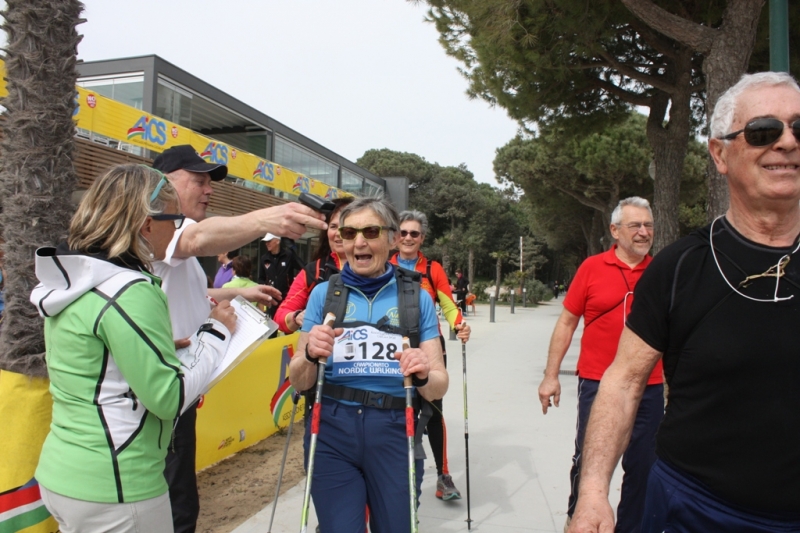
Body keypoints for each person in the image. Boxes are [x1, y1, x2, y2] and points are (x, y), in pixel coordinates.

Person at [569, 72, 800, 533]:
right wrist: (593, 493)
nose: (787, 143)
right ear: (720, 153)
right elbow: (624, 381)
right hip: (693, 511)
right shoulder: (678, 267)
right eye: (763, 131)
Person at [29, 164, 236, 533]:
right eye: (175, 220)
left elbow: (92, 355)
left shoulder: (71, 277)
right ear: (145, 225)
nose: (178, 231)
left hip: (62, 474)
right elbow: (169, 398)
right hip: (118, 484)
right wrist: (216, 332)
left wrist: (151, 348)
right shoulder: (130, 289)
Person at [151, 144, 326, 533]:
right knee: (176, 507)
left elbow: (183, 295)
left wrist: (235, 294)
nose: (209, 189)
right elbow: (197, 240)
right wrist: (268, 218)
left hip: (179, 393)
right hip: (161, 394)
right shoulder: (158, 227)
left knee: (179, 500)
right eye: (199, 180)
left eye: (211, 181)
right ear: (165, 182)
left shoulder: (173, 245)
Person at [289, 197, 448, 532]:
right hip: (333, 429)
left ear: (391, 239)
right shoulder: (323, 294)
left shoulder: (415, 297)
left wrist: (421, 372)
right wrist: (309, 355)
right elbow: (299, 381)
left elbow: (439, 384)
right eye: (349, 232)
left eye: (370, 231)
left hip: (394, 428)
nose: (358, 242)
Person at [539, 197, 662, 533]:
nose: (643, 232)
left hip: (650, 385)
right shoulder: (592, 268)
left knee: (645, 466)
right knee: (590, 462)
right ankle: (578, 521)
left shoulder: (663, 270)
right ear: (614, 230)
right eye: (634, 225)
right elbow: (566, 323)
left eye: (648, 225)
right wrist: (551, 376)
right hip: (596, 382)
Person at [390, 209, 471, 501]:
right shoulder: (385, 265)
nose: (408, 237)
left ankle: (443, 476)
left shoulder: (432, 268)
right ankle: (394, 475)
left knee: (434, 412)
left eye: (414, 233)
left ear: (422, 238)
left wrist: (459, 324)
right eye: (403, 232)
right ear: (395, 236)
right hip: (393, 350)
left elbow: (448, 304)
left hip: (428, 347)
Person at [275, 197, 353, 334]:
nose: (338, 234)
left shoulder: (381, 269)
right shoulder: (313, 270)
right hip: (320, 350)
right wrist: (296, 317)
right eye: (333, 226)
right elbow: (280, 316)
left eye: (346, 227)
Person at [258, 232, 304, 317]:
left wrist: (296, 283)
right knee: (272, 323)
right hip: (271, 298)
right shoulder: (264, 258)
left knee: (285, 321)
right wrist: (264, 291)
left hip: (287, 296)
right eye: (266, 241)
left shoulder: (288, 255)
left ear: (277, 241)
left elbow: (303, 268)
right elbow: (261, 278)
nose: (266, 243)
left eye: (269, 241)